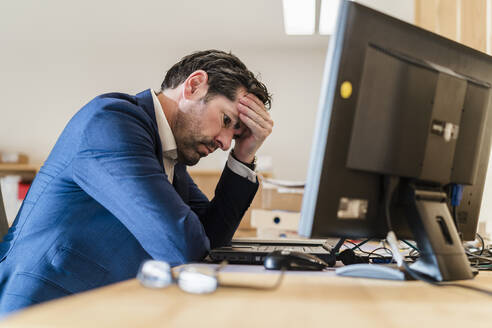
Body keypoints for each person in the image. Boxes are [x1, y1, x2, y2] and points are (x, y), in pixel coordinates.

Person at [0, 50, 273, 314]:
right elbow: (181, 246)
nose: (225, 143)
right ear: (195, 85)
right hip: (39, 312)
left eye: (235, 137)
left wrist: (243, 155)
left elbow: (209, 242)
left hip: (92, 311)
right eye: (226, 120)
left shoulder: (167, 158)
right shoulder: (112, 122)